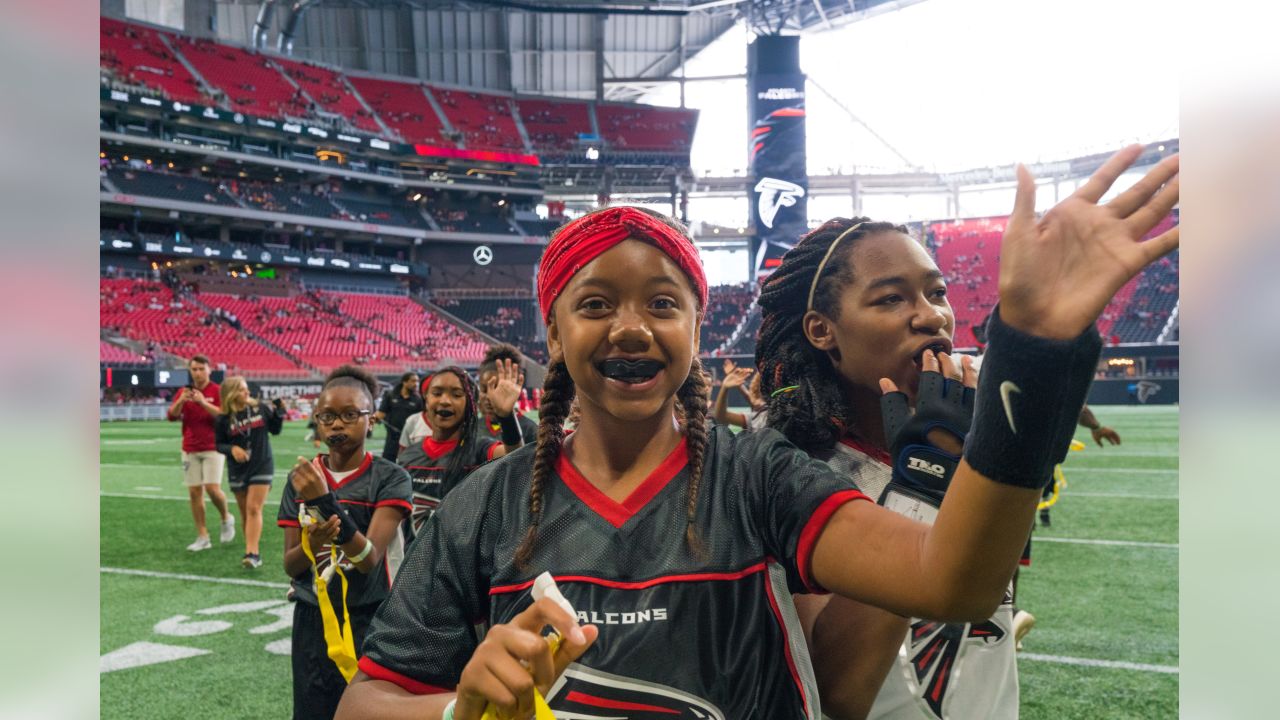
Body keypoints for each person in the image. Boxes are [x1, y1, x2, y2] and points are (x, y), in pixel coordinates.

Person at [335, 148, 1177, 720]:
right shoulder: (484, 507)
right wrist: (456, 706)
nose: (632, 327)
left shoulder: (759, 474)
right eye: (595, 305)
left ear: (700, 329)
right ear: (551, 335)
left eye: (663, 304)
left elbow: (950, 581)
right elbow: (362, 704)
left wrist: (1034, 348)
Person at [277, 365, 414, 720]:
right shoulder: (301, 479)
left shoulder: (390, 477)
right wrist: (310, 546)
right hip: (312, 618)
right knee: (311, 712)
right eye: (328, 416)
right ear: (317, 422)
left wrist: (325, 503)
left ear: (371, 420)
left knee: (367, 712)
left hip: (369, 617)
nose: (337, 424)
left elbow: (368, 558)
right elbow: (290, 565)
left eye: (350, 414)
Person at [395, 362, 524, 533]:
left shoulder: (479, 449)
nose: (445, 401)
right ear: (426, 400)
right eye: (437, 393)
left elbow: (517, 457)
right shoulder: (408, 456)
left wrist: (506, 417)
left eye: (456, 394)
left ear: (470, 404)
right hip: (415, 558)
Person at [166, 354, 235, 552]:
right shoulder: (184, 391)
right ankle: (203, 536)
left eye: (201, 369)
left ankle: (225, 517)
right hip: (189, 448)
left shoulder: (218, 390)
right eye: (194, 369)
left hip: (214, 447)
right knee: (195, 493)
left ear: (209, 370)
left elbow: (224, 416)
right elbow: (171, 416)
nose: (197, 373)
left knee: (213, 488)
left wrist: (203, 402)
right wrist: (181, 401)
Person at [215, 377, 285, 569]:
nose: (247, 393)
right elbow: (218, 444)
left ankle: (252, 553)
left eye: (246, 389)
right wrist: (232, 450)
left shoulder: (260, 409)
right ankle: (251, 546)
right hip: (238, 468)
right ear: (230, 394)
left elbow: (275, 430)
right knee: (246, 512)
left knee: (254, 508)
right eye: (241, 390)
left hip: (262, 463)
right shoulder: (223, 418)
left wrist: (280, 412)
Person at [476, 344, 538, 445]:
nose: (489, 396)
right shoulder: (473, 428)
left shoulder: (530, 430)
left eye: (498, 388)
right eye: (484, 389)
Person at [375, 372, 423, 461]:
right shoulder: (391, 395)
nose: (416, 384)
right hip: (392, 437)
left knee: (408, 462)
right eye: (413, 381)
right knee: (388, 463)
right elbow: (381, 413)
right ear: (404, 382)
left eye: (417, 381)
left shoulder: (418, 399)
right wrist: (373, 419)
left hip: (409, 437)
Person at [712, 358, 767, 430]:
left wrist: (724, 388)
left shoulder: (762, 416)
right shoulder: (769, 410)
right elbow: (754, 402)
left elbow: (721, 416)